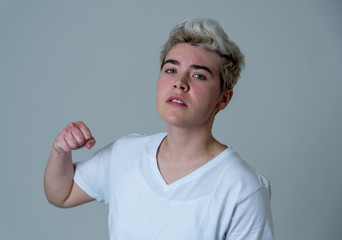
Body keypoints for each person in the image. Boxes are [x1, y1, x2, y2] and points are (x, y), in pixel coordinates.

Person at [44, 18, 274, 239]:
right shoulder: (126, 154)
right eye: (171, 70)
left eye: (198, 75)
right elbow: (62, 194)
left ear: (223, 99)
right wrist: (60, 150)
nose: (179, 83)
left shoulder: (242, 188)